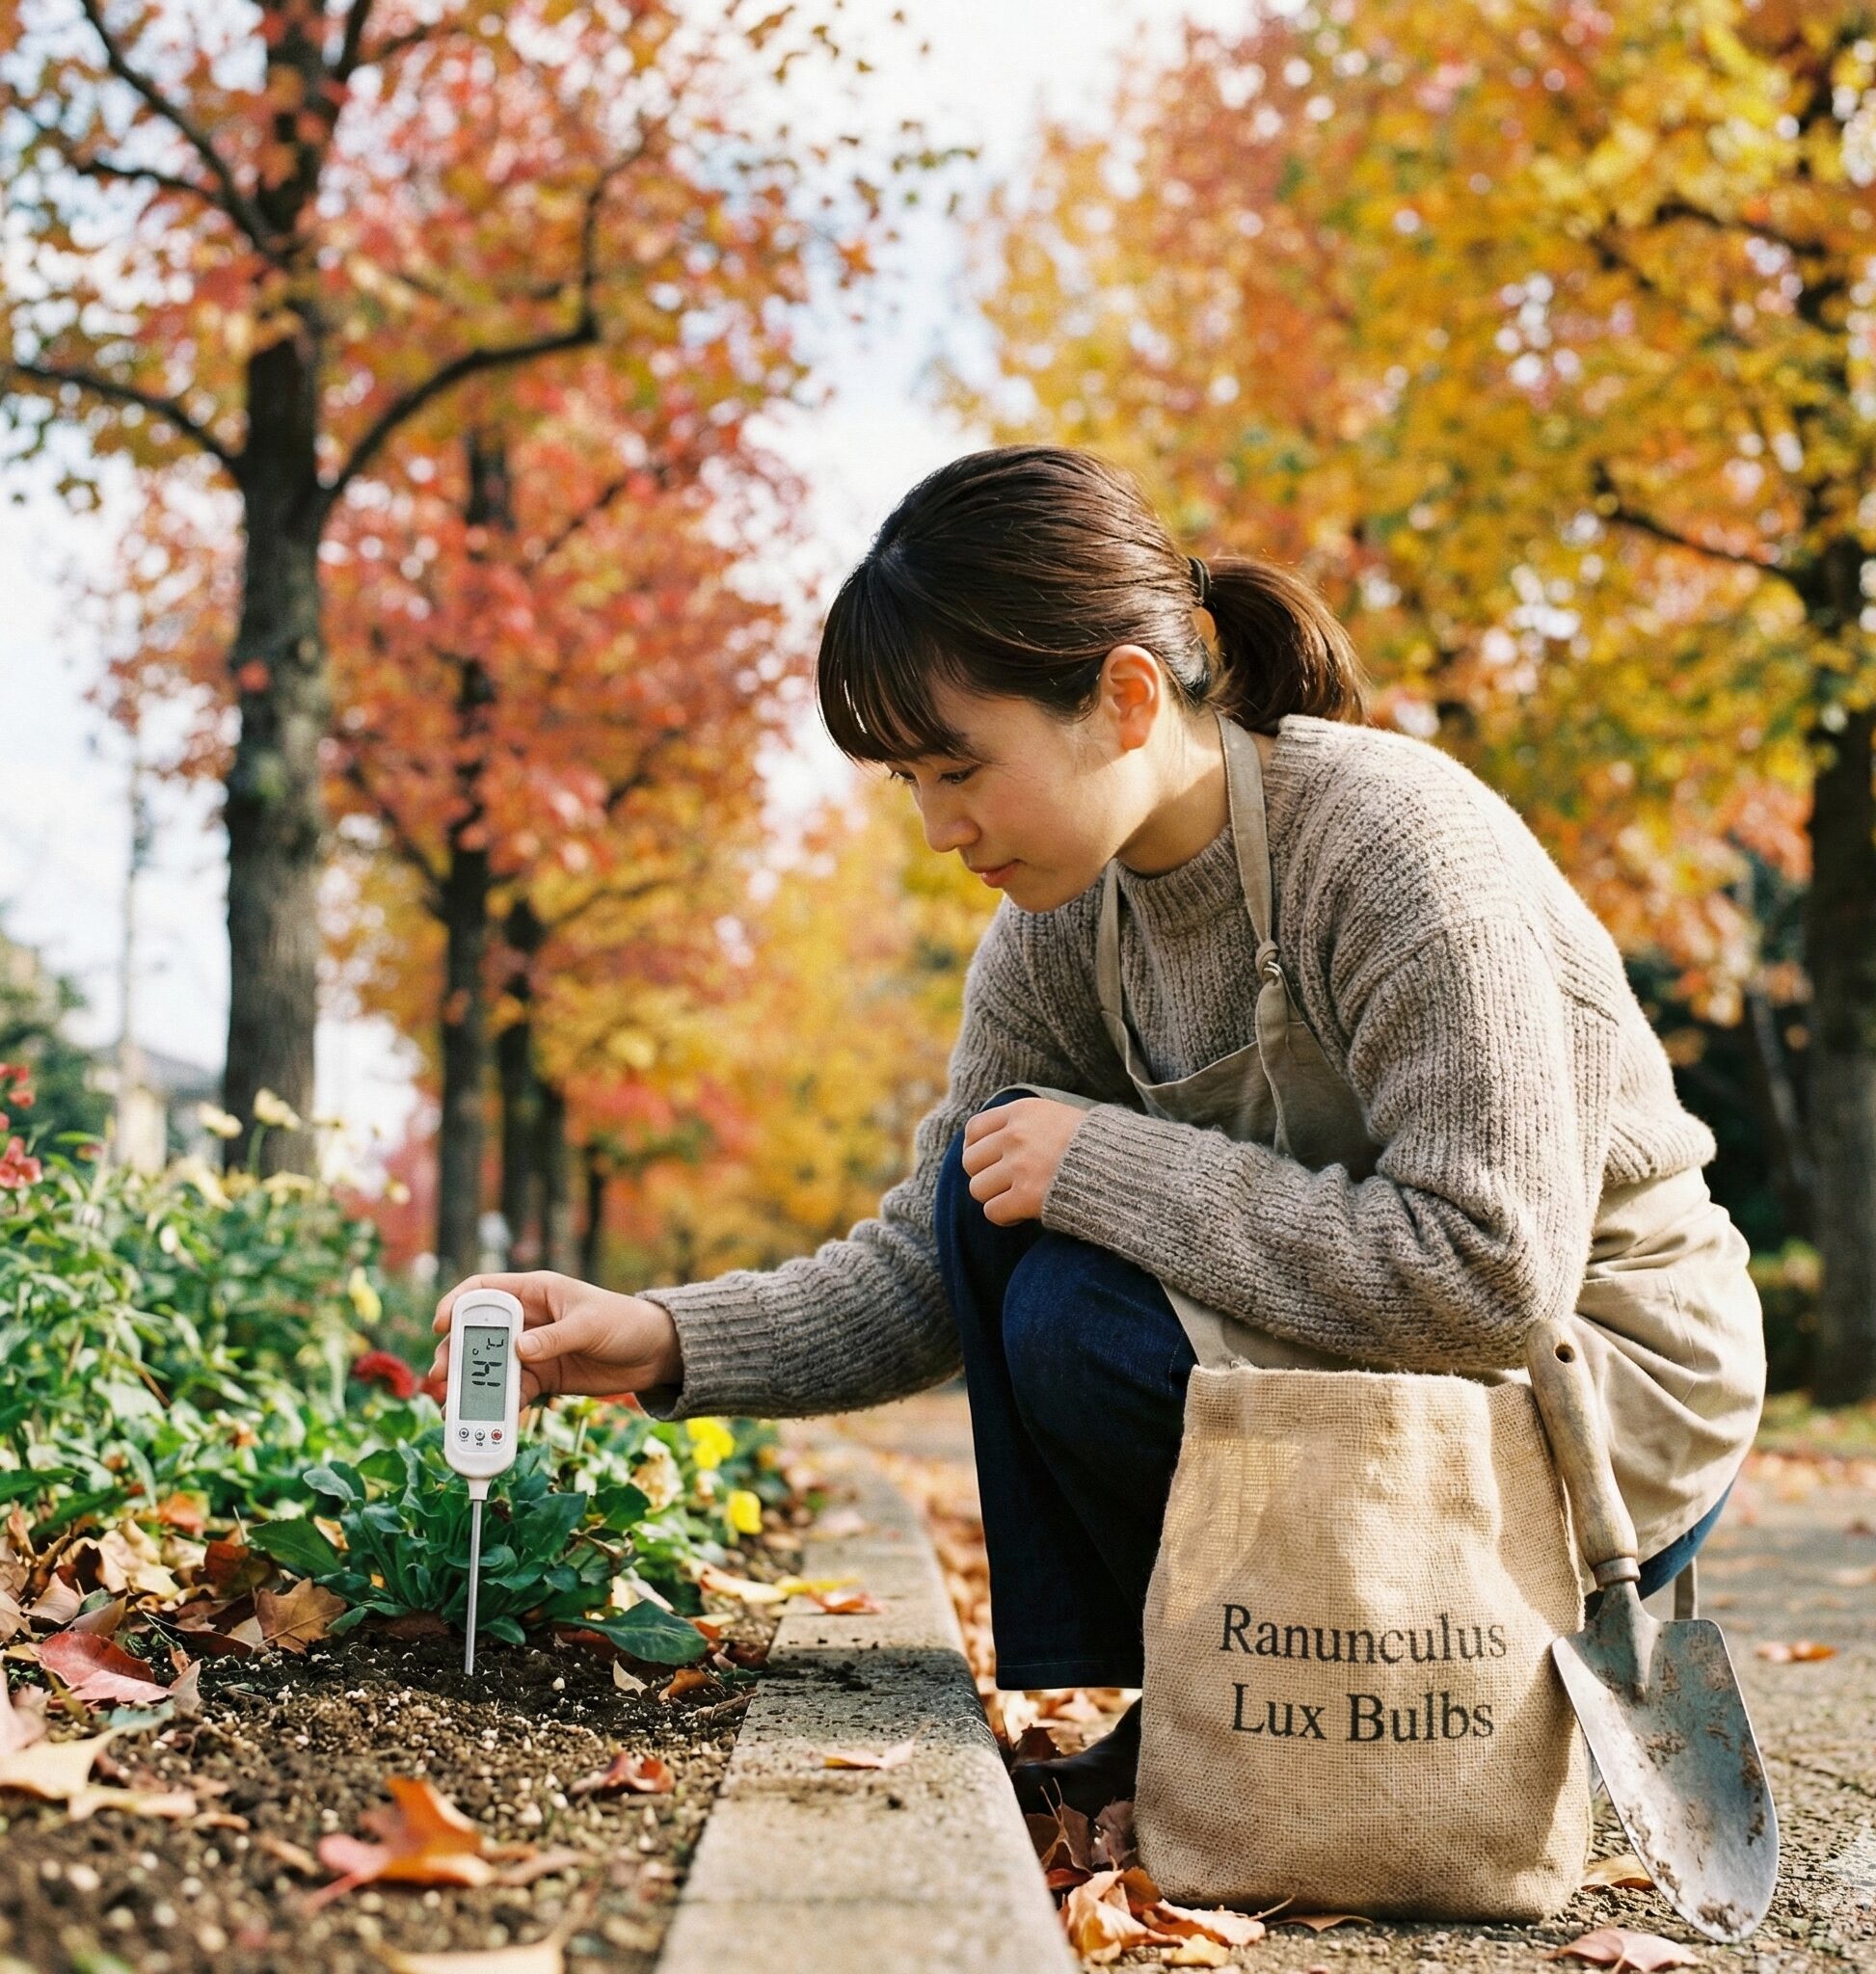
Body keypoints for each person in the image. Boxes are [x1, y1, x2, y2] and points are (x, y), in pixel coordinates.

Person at [431, 443, 1767, 1818]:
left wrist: (1109, 1165)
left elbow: (1490, 1272)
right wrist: (663, 1337)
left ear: (1126, 698)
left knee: (1077, 1307)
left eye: (959, 767)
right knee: (997, 1211)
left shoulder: (1399, 852)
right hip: (1381, 1384)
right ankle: (1221, 1692)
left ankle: (1357, 1679)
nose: (939, 827)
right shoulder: (1059, 926)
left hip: (1597, 1397)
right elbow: (933, 1262)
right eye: (908, 782)